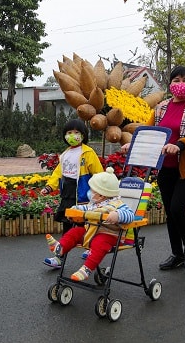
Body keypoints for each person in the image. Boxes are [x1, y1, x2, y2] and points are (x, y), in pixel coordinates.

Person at [121, 66, 185, 271]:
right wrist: (131, 144)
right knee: (170, 211)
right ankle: (176, 253)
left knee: (178, 208)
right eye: (176, 79)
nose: (181, 84)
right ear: (170, 84)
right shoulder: (161, 107)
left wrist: (179, 145)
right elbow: (148, 132)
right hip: (165, 168)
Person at [44, 167, 134, 281]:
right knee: (75, 232)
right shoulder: (94, 203)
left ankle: (86, 269)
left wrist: (118, 215)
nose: (89, 192)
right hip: (90, 232)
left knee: (100, 243)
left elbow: (130, 215)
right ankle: (60, 248)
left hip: (110, 235)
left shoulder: (117, 204)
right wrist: (75, 210)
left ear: (102, 195)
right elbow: (84, 208)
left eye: (92, 190)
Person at [41, 119, 103, 268]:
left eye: (76, 132)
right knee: (67, 226)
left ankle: (91, 249)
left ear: (83, 135)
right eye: (69, 133)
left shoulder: (88, 152)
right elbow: (58, 173)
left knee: (87, 225)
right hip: (68, 194)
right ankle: (59, 257)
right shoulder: (65, 154)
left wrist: (100, 192)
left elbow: (99, 173)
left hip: (83, 196)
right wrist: (49, 187)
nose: (72, 135)